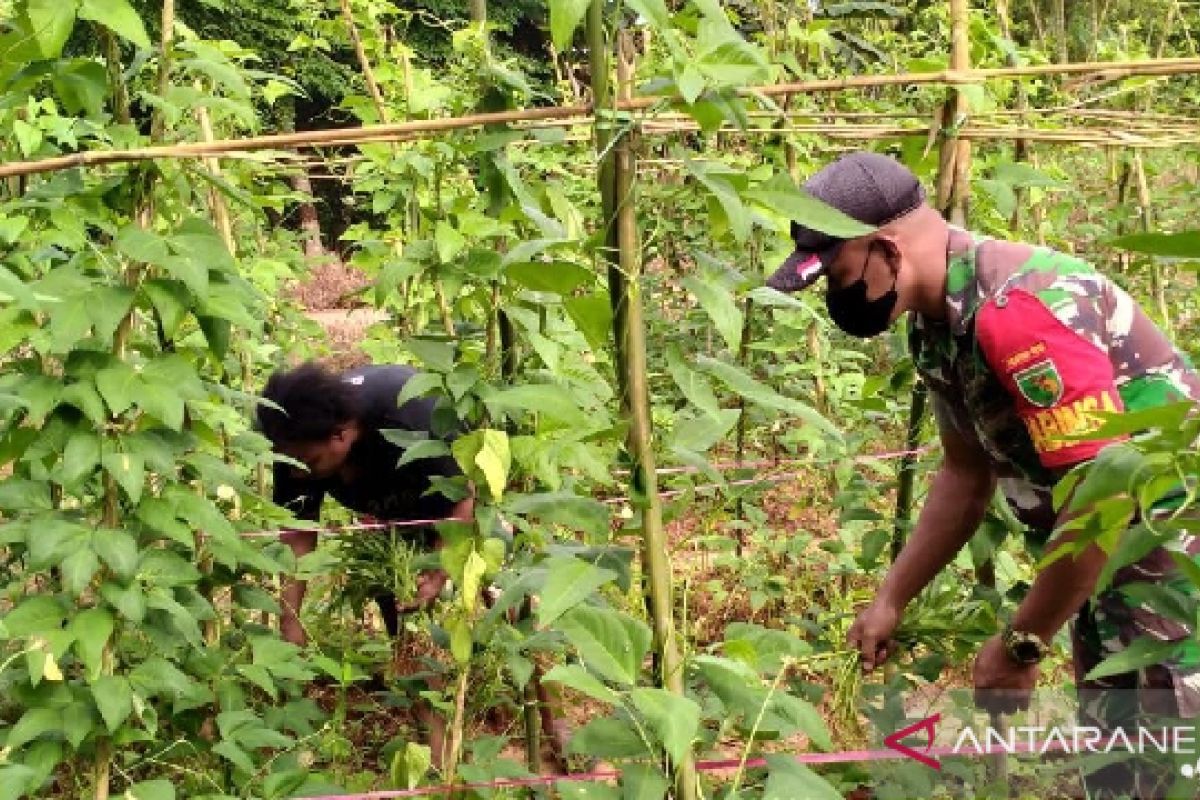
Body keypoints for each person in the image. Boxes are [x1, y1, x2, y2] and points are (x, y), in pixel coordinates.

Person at [764, 151, 1200, 796]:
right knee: (1119, 766)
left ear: (886, 248)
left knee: (1174, 764)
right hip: (1104, 567)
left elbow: (1100, 497)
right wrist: (892, 598)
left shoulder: (1021, 311)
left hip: (1171, 564)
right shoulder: (936, 325)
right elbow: (965, 474)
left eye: (837, 273)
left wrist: (1022, 644)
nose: (836, 294)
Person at [256, 361, 470, 648]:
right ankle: (413, 666)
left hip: (454, 500)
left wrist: (439, 566)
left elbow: (469, 494)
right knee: (392, 580)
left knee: (492, 574)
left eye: (309, 464)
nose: (297, 475)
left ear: (341, 434)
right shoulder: (294, 443)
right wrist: (290, 622)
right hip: (390, 512)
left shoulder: (411, 415)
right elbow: (298, 533)